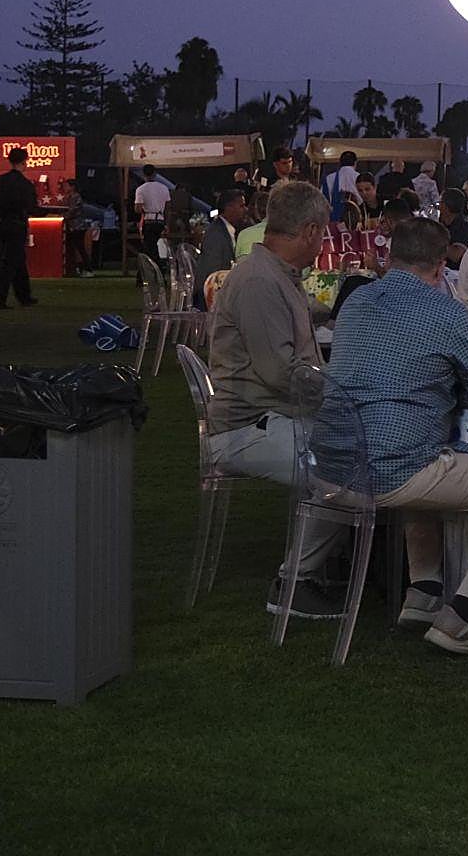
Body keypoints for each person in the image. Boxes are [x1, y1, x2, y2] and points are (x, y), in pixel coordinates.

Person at [327, 216, 468, 655]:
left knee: (421, 452)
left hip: (330, 465)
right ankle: (462, 617)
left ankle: (422, 594)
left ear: (389, 256)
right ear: (442, 264)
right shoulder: (447, 313)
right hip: (390, 471)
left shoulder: (356, 301)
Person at [207, 181, 345, 618]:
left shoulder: (273, 275)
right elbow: (280, 373)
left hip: (269, 416)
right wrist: (343, 394)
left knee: (352, 449)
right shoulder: (261, 281)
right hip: (246, 427)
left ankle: (332, 564)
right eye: (322, 233)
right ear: (308, 231)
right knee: (343, 470)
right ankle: (294, 583)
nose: (322, 242)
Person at [0, 146, 40, 309]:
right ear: (24, 162)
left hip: (1, 224)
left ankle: (24, 296)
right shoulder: (25, 184)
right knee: (10, 263)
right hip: (18, 225)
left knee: (18, 260)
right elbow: (31, 207)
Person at [193, 187, 247, 296]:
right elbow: (212, 273)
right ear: (229, 207)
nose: (245, 209)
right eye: (241, 206)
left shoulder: (224, 230)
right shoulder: (216, 235)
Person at [134, 164, 171, 266]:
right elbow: (168, 208)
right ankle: (159, 266)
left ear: (143, 174)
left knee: (149, 248)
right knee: (157, 246)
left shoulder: (140, 189)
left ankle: (153, 268)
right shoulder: (164, 188)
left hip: (148, 220)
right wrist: (167, 224)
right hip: (160, 220)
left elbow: (137, 209)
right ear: (155, 174)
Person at [61, 178, 93, 277]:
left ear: (72, 187)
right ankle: (76, 269)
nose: (65, 188)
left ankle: (88, 269)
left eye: (67, 185)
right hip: (72, 226)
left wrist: (64, 216)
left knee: (80, 248)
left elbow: (73, 210)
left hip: (78, 226)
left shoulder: (76, 197)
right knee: (74, 248)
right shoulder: (69, 197)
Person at [440, 188, 468, 270]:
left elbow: (455, 256)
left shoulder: (466, 229)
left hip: (457, 276)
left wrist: (431, 240)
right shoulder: (441, 224)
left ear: (445, 207)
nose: (438, 206)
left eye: (440, 202)